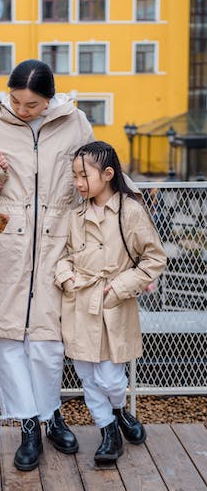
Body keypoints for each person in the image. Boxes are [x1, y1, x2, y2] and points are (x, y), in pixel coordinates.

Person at [0, 59, 95, 471]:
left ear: (50, 100)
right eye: (15, 100)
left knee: (49, 345)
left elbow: (97, 171)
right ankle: (28, 426)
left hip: (57, 244)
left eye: (31, 104)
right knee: (7, 344)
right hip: (5, 246)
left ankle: (52, 413)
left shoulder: (76, 123)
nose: (22, 109)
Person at [54, 141, 167, 463]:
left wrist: (118, 288)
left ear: (107, 174)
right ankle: (108, 432)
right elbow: (62, 256)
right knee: (88, 376)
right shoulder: (75, 215)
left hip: (112, 304)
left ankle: (118, 411)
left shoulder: (130, 211)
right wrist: (66, 277)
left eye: (83, 175)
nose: (78, 183)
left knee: (110, 379)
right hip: (79, 303)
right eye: (74, 175)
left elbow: (154, 259)